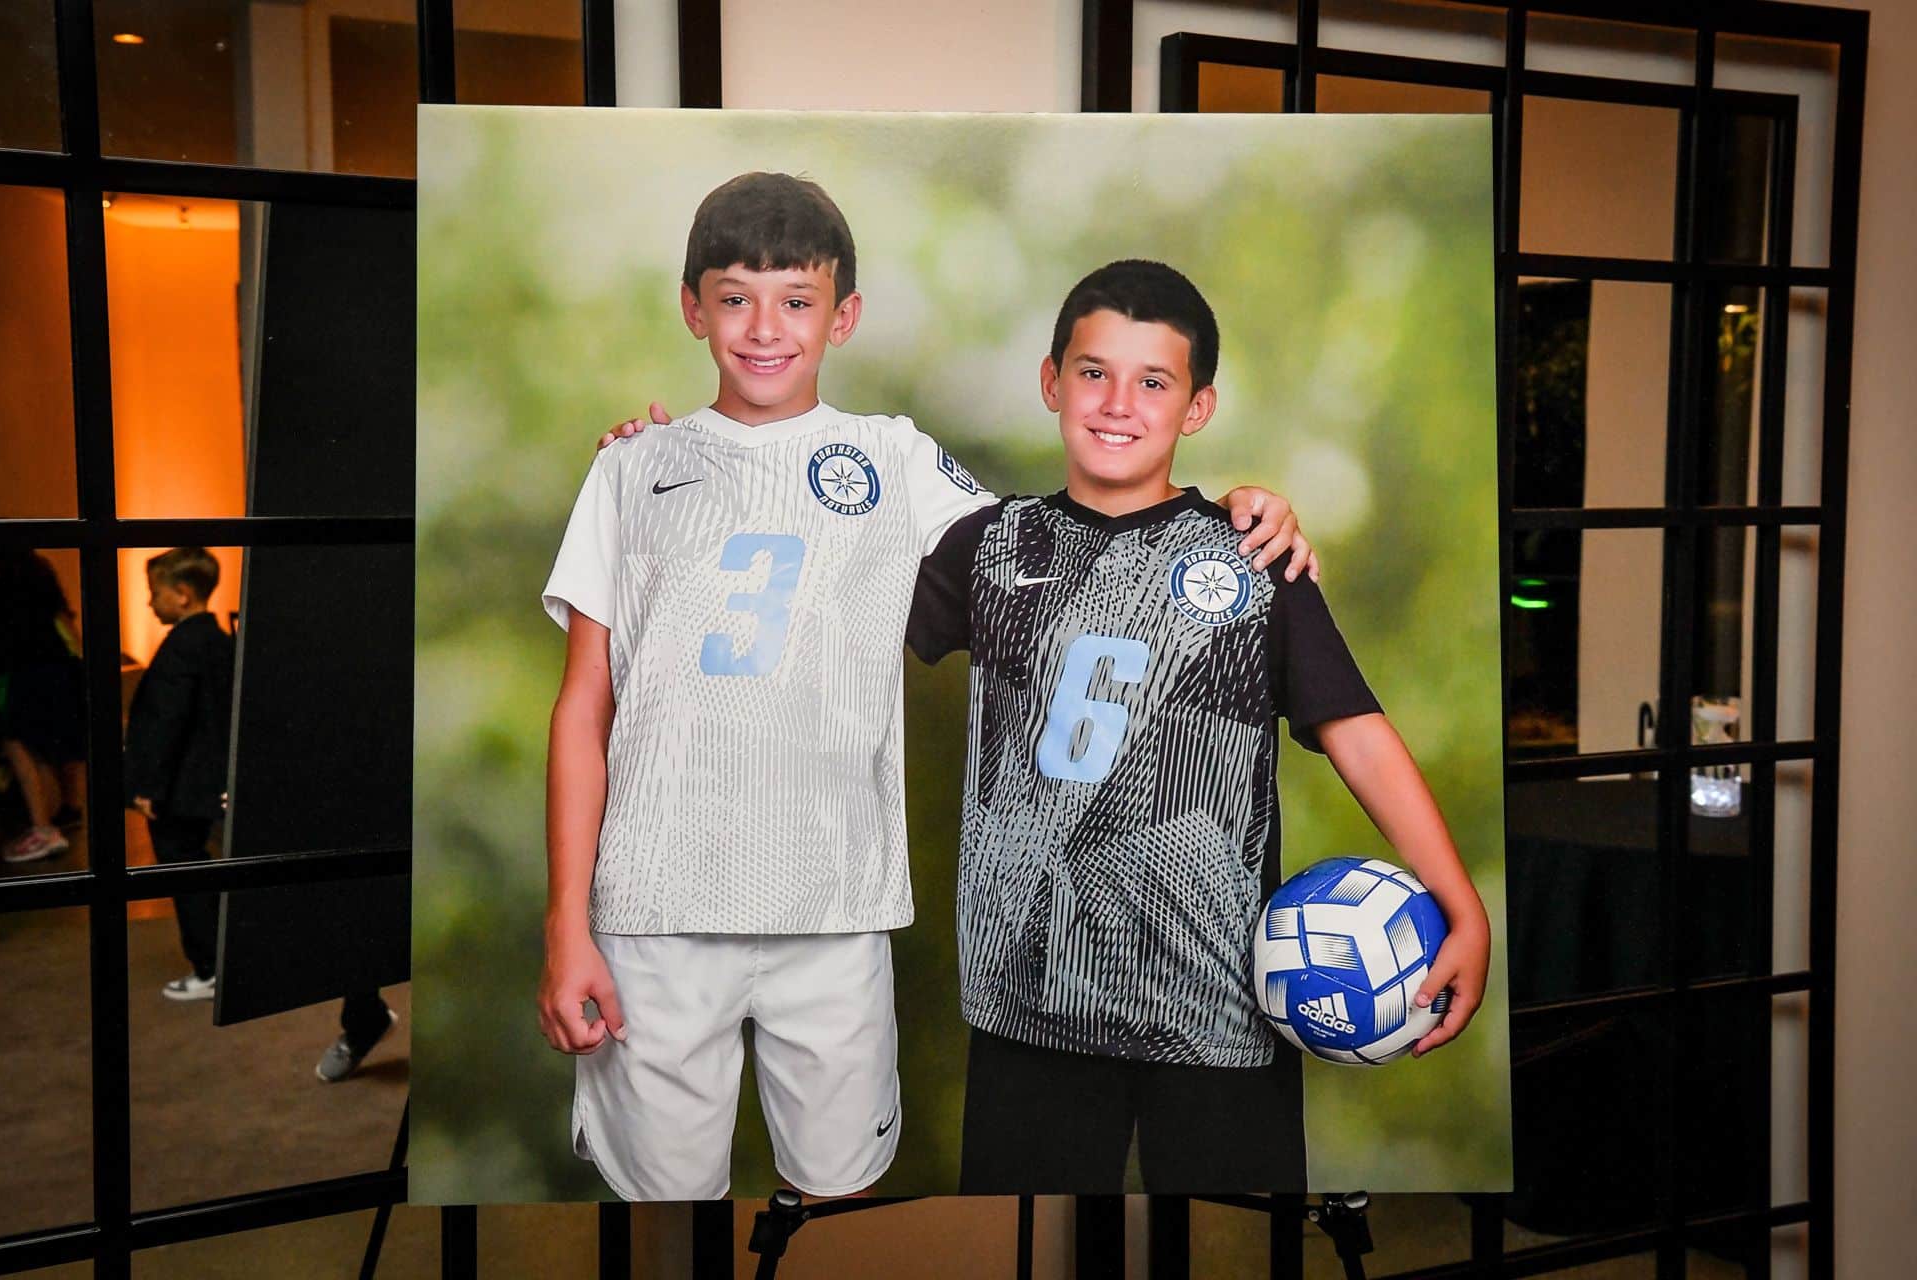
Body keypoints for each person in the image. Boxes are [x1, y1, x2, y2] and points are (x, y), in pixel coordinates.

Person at [538, 174, 1310, 1201]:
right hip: (652, 908)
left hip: (836, 903)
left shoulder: (891, 459)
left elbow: (1072, 550)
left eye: (796, 300)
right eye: (734, 299)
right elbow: (582, 708)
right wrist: (566, 922)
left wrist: (1234, 512)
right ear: (692, 308)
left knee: (840, 1200)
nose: (765, 327)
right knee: (661, 1211)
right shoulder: (631, 473)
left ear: (844, 315)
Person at [905, 260, 1492, 1194]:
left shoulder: (1252, 557)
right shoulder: (988, 547)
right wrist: (680, 467)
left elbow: (1355, 730)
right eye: (1094, 372)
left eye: (1153, 382)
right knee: (1027, 1244)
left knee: (1232, 1245)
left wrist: (1461, 903)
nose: (1118, 403)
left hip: (1216, 1003)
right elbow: (833, 622)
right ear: (1052, 382)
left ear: (1198, 407)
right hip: (1028, 1002)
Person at [124, 547, 235, 1002]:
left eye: (155, 592)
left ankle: (209, 966)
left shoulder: (180, 650)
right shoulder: (218, 642)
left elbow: (165, 722)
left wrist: (147, 785)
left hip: (178, 787)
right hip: (204, 782)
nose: (150, 602)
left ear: (183, 594)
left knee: (183, 871)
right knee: (199, 867)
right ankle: (219, 958)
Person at [0, 550, 86, 865]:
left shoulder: (4, 575)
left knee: (24, 748)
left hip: (24, 669)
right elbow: (66, 621)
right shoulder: (37, 568)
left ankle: (43, 828)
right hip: (62, 666)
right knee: (62, 746)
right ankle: (69, 811)